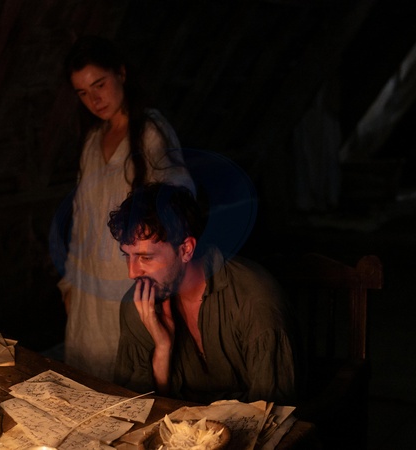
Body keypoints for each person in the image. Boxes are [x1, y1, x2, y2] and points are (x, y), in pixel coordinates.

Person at [57, 36, 195, 381]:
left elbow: (178, 207)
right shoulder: (92, 142)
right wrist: (70, 283)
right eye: (83, 93)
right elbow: (81, 220)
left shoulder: (149, 132)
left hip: (130, 280)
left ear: (120, 73)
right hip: (89, 288)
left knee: (131, 381)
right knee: (88, 380)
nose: (94, 99)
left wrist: (159, 282)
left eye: (99, 85)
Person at [107, 183, 298, 404]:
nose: (132, 273)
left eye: (146, 257)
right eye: (127, 256)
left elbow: (273, 411)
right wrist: (162, 352)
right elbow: (133, 407)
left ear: (186, 249)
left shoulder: (254, 300)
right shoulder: (139, 304)